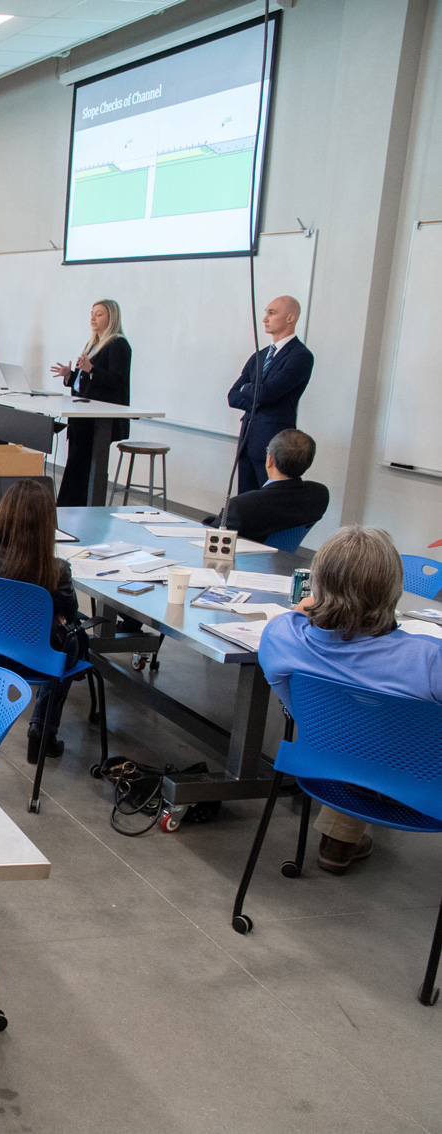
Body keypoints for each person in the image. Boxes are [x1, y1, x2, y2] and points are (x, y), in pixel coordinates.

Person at [259, 526, 442, 873]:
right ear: (394, 589)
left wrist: (309, 611)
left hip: (325, 765)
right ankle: (340, 838)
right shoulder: (429, 661)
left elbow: (294, 629)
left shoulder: (282, 637)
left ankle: (340, 836)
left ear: (317, 584)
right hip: (421, 787)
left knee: (363, 727)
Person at [0, 478, 82, 759]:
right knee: (73, 638)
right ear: (47, 524)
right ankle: (42, 728)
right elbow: (71, 613)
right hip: (36, 656)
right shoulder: (57, 569)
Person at [229, 295, 314, 496]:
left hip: (273, 441)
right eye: (266, 312)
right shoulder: (259, 356)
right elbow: (233, 395)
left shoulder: (300, 356)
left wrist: (249, 390)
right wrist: (254, 392)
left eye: (272, 313)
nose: (265, 318)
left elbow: (268, 393)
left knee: (269, 500)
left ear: (290, 318)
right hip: (248, 438)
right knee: (245, 500)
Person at [50, 298, 131, 507]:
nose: (93, 318)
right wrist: (70, 376)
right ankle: (66, 509)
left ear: (111, 317)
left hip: (98, 419)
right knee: (75, 464)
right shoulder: (93, 343)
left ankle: (74, 509)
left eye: (99, 314)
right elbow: (84, 380)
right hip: (81, 415)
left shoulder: (118, 344)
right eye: (92, 313)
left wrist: (91, 370)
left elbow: (117, 381)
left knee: (82, 466)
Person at [209, 429, 330, 544]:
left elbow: (213, 539)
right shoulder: (319, 494)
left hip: (246, 562)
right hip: (282, 560)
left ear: (270, 459)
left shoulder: (241, 506)